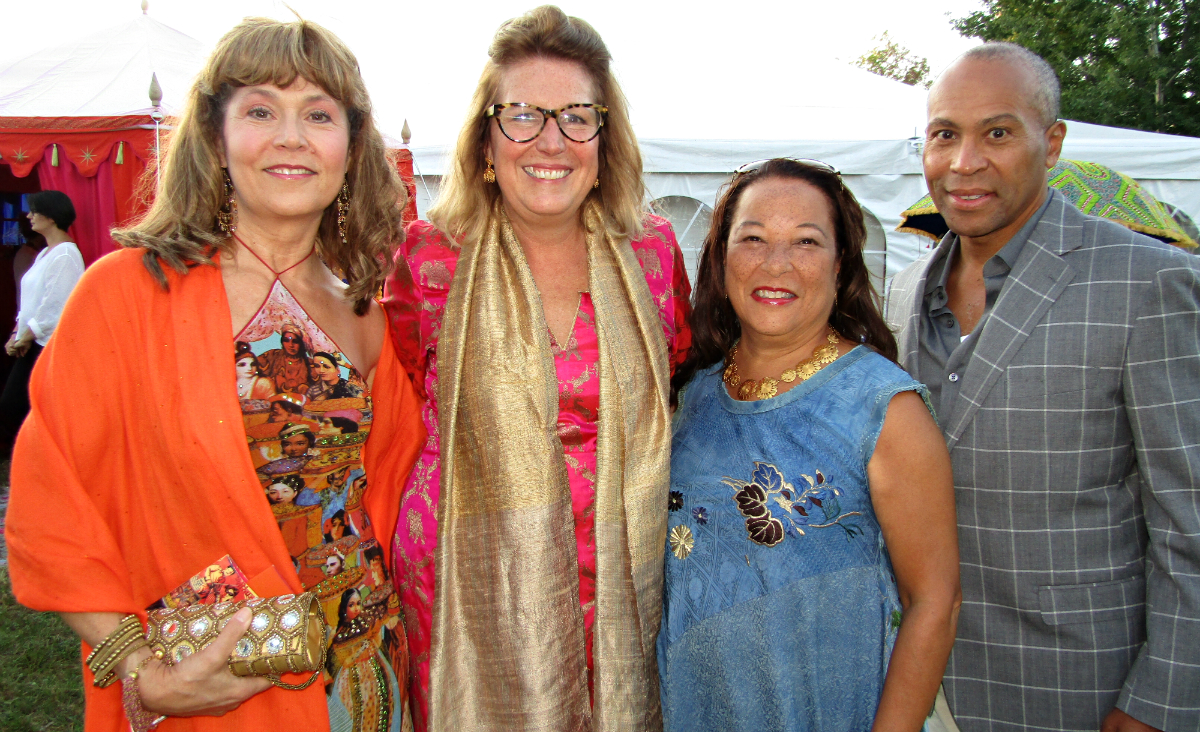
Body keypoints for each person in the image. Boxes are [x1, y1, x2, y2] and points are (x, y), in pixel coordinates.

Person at [5, 18, 425, 732]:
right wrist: (137, 670)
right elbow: (52, 506)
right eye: (261, 110)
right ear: (215, 137)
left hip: (368, 671)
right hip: (220, 689)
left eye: (318, 115)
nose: (290, 136)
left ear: (350, 149)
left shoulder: (365, 308)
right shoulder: (127, 294)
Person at [381, 6, 691, 729]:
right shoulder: (428, 258)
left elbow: (679, 378)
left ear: (604, 139)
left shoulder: (652, 254)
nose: (551, 140)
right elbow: (395, 410)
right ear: (486, 138)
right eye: (522, 114)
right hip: (474, 590)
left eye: (577, 116)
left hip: (625, 582)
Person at [885, 43, 1200, 732]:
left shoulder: (1145, 284)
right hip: (917, 690)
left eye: (997, 133)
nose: (964, 162)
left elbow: (1189, 521)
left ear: (1050, 143)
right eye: (944, 134)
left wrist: (1160, 702)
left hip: (1081, 688)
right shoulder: (901, 294)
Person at [659, 158, 960, 731]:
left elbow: (935, 605)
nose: (776, 263)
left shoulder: (883, 408)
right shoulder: (688, 398)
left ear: (840, 261)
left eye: (806, 241)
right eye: (752, 239)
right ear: (721, 258)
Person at [0, 190, 84, 447]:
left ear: (51, 216)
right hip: (33, 341)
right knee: (19, 408)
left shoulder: (66, 254)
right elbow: (32, 301)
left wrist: (26, 335)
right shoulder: (46, 253)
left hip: (46, 345)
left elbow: (56, 304)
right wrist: (17, 332)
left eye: (35, 211)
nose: (29, 216)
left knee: (15, 407)